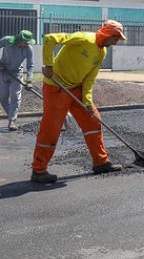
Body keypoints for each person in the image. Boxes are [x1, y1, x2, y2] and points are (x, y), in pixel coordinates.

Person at [30, 20, 127, 184]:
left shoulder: (101, 52)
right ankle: (39, 170)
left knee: (93, 120)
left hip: (76, 88)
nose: (116, 42)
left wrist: (87, 102)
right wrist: (48, 64)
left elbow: (89, 79)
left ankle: (101, 162)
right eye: (116, 38)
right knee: (51, 128)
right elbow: (50, 38)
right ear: (108, 34)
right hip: (56, 87)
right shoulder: (84, 38)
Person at [0, 30, 35, 131]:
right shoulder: (7, 41)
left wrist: (29, 81)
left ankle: (12, 120)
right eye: (26, 42)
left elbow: (30, 65)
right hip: (3, 72)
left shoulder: (28, 49)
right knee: (2, 97)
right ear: (20, 40)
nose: (27, 44)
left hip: (17, 73)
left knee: (15, 96)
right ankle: (11, 116)